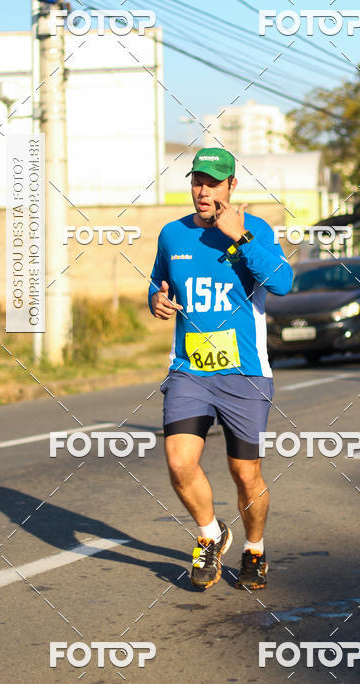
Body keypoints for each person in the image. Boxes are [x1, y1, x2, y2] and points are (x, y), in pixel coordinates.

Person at [148, 147, 293, 591]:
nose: (203, 191)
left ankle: (254, 548)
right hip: (190, 369)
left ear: (232, 186)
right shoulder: (172, 235)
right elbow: (158, 281)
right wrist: (155, 299)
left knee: (245, 472)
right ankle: (210, 534)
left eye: (213, 183)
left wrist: (240, 237)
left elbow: (283, 283)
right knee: (179, 461)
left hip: (245, 373)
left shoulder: (256, 228)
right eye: (197, 182)